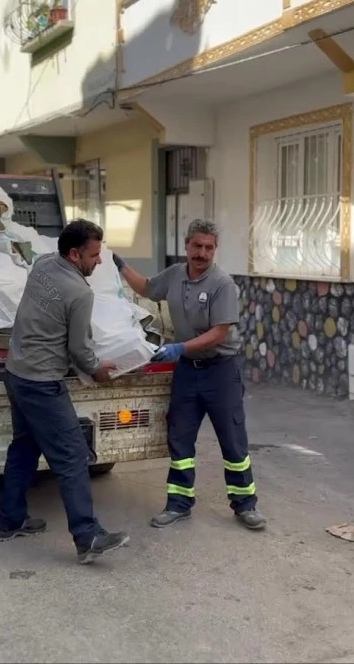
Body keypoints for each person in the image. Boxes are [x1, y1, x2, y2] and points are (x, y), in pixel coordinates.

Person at [112, 218, 266, 530]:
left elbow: (219, 333)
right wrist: (120, 266)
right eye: (197, 245)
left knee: (233, 441)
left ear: (215, 250)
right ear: (186, 245)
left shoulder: (222, 284)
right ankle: (179, 504)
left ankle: (245, 505)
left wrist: (179, 348)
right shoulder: (174, 275)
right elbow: (146, 288)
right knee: (180, 440)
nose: (202, 253)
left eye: (209, 248)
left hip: (220, 372)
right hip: (187, 373)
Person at [0, 219, 129, 564]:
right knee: (71, 458)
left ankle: (9, 522)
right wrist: (100, 372)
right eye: (94, 255)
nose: (99, 262)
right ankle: (88, 536)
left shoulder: (42, 264)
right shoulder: (80, 293)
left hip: (16, 372)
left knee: (23, 448)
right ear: (74, 254)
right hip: (41, 383)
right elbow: (80, 351)